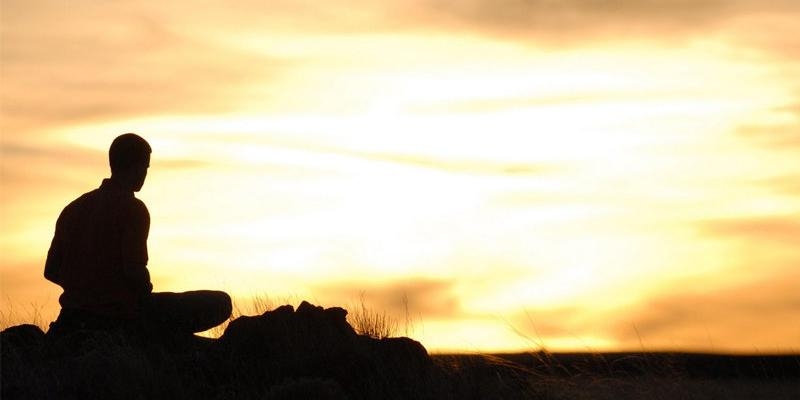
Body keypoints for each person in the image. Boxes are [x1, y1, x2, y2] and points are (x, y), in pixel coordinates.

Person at [44, 133, 231, 342]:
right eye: (145, 168)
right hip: (122, 315)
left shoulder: (73, 209)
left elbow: (50, 271)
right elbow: (133, 270)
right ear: (135, 166)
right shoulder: (133, 209)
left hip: (73, 315)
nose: (145, 174)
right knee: (221, 303)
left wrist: (83, 290)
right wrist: (123, 295)